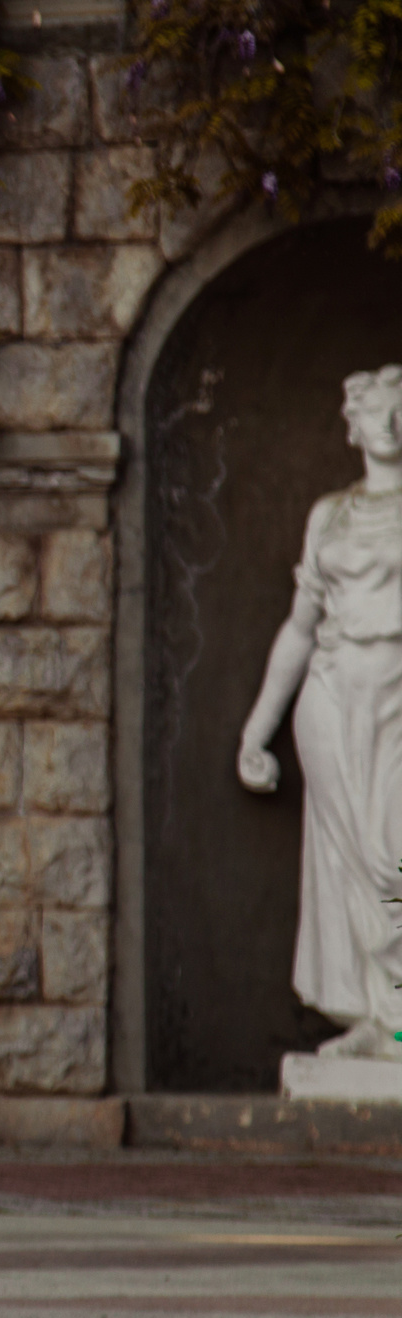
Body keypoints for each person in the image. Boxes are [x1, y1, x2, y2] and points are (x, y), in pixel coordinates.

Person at [237, 365, 402, 1059]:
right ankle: (380, 1019)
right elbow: (301, 627)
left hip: (398, 694)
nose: (387, 424)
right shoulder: (329, 513)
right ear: (353, 424)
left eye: (397, 410)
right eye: (375, 412)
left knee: (391, 857)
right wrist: (256, 729)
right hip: (332, 697)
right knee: (349, 865)